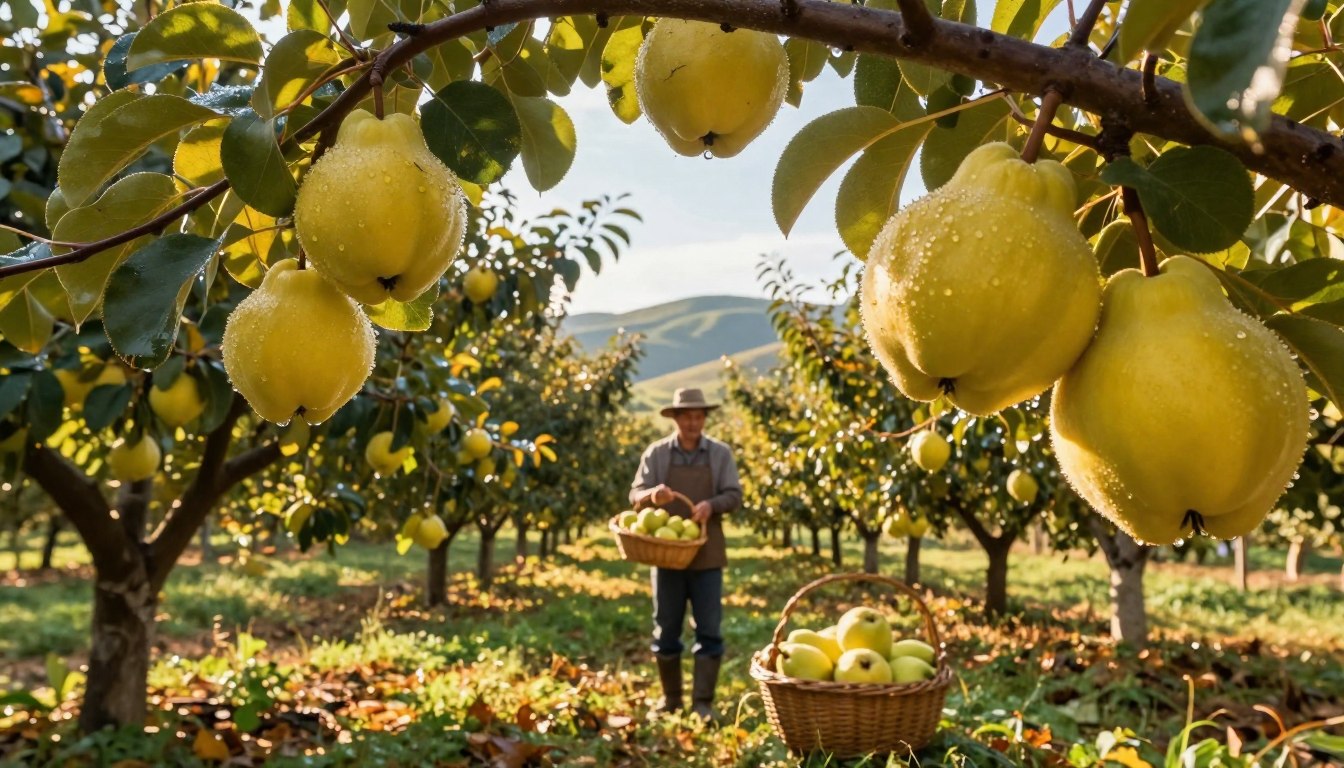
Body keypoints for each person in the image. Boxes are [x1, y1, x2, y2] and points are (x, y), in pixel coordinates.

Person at [629, 388, 742, 721]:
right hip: (666, 555)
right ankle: (671, 699)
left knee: (709, 630)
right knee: (666, 629)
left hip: (707, 554)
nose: (693, 423)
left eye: (698, 416)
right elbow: (635, 494)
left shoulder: (720, 454)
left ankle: (702, 703)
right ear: (675, 418)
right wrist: (651, 496)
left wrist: (712, 505)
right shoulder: (657, 454)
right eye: (687, 417)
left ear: (704, 418)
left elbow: (734, 495)